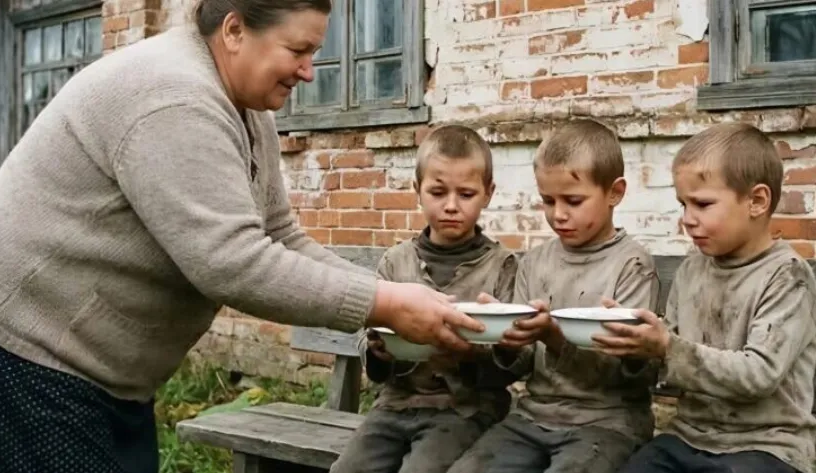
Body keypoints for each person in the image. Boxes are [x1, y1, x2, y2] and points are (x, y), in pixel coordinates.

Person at [0, 1, 485, 471]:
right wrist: (384, 303)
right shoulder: (175, 96)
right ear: (234, 29)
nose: (310, 70)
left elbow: (279, 235)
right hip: (10, 334)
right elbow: (232, 262)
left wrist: (405, 299)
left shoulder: (243, 102)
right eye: (299, 50)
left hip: (92, 360)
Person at [595, 123, 816, 473]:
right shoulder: (693, 269)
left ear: (757, 201)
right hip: (689, 436)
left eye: (702, 204)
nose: (687, 219)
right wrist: (636, 346)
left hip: (766, 444)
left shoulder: (787, 276)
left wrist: (668, 348)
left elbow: (759, 375)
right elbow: (669, 358)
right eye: (683, 204)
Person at [447, 119, 660, 473]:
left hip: (608, 422)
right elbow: (521, 364)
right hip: (534, 416)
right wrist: (504, 337)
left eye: (573, 201)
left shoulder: (631, 264)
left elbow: (629, 374)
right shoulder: (536, 261)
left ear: (615, 192)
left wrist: (554, 336)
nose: (558, 214)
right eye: (548, 200)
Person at [329, 125, 518, 473]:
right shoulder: (396, 262)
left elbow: (515, 361)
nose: (450, 206)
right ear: (417, 190)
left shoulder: (501, 267)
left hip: (466, 407)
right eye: (437, 192)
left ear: (488, 193)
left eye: (466, 194)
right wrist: (376, 350)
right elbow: (367, 336)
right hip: (396, 404)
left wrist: (478, 349)